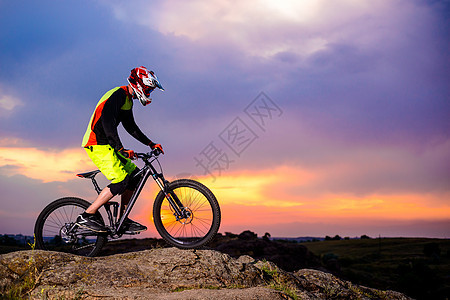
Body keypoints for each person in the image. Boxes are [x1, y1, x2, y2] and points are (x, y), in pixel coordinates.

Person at [76, 66, 164, 233]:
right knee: (121, 180)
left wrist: (150, 144)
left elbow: (130, 127)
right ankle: (87, 215)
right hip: (97, 143)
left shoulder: (127, 100)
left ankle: (122, 220)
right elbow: (108, 124)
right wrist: (121, 149)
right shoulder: (118, 95)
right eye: (148, 89)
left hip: (108, 144)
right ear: (139, 84)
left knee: (134, 178)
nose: (149, 93)